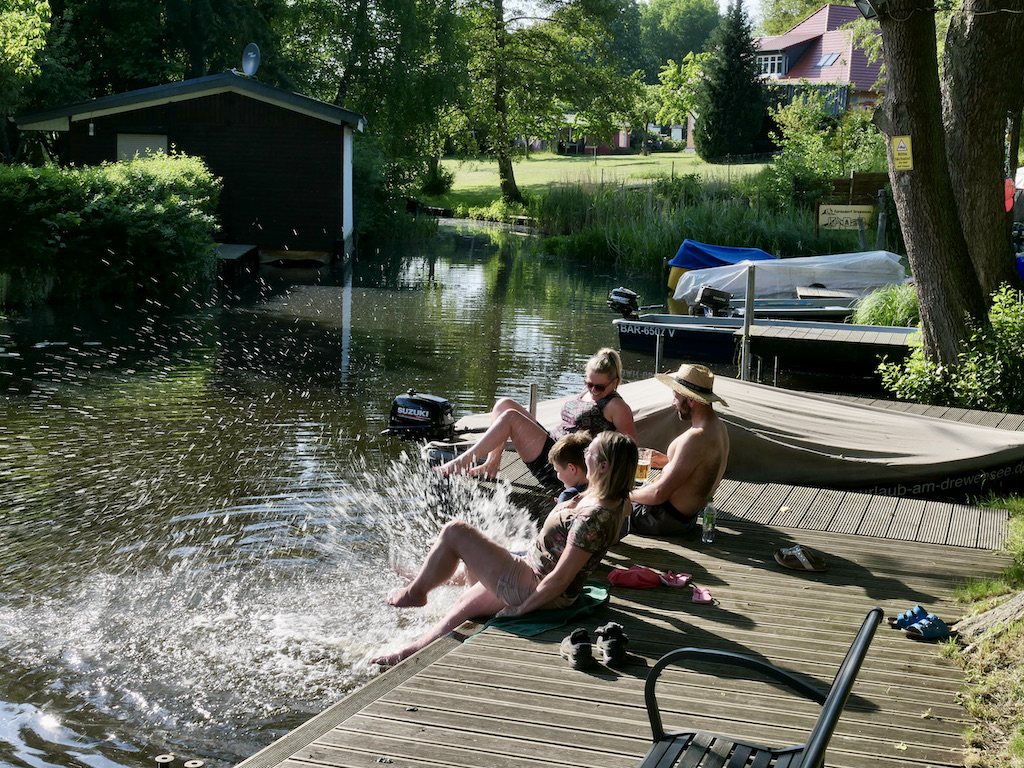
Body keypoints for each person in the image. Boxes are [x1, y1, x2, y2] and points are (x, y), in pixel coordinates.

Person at [372, 430, 637, 666]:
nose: (585, 451)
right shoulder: (611, 496)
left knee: (456, 532)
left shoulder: (592, 518)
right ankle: (418, 624)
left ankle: (415, 595)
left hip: (533, 583)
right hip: (533, 572)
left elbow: (560, 578)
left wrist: (521, 610)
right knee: (465, 600)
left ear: (603, 467)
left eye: (591, 450)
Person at [436, 348, 636, 494]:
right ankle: (491, 465)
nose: (592, 390)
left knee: (510, 418)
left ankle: (460, 463)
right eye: (588, 383)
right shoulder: (590, 393)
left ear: (615, 383)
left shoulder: (615, 406)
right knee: (504, 404)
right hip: (553, 443)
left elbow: (630, 449)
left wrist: (604, 484)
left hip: (564, 463)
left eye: (598, 387)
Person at [626, 363, 730, 538]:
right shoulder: (720, 429)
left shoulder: (694, 438)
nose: (673, 403)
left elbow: (658, 494)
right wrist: (668, 461)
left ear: (691, 400)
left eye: (676, 397)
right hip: (686, 519)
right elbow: (701, 470)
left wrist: (623, 494)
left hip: (661, 519)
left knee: (594, 506)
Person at [549, 431, 592, 503]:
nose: (558, 476)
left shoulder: (569, 496)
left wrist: (560, 506)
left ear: (572, 468)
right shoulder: (604, 486)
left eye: (558, 471)